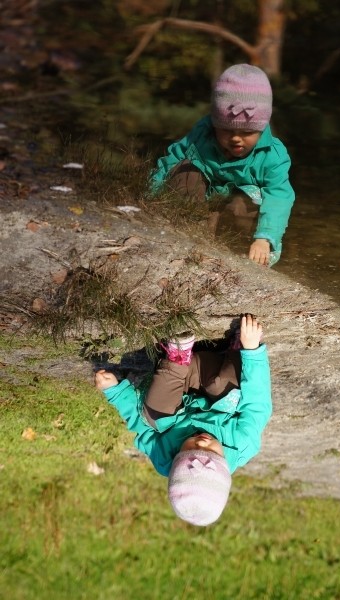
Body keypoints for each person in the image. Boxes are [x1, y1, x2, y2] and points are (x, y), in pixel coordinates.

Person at [95, 314, 272, 527]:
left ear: (175, 460)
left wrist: (114, 392)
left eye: (189, 448)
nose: (201, 442)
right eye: (212, 452)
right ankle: (235, 352)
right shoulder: (243, 443)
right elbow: (257, 403)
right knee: (229, 390)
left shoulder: (163, 459)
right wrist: (251, 351)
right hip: (216, 381)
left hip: (177, 382)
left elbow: (140, 425)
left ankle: (177, 357)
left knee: (154, 416)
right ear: (225, 464)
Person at [150, 63, 295, 267]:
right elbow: (170, 162)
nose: (236, 139)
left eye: (246, 133)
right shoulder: (202, 135)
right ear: (215, 124)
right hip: (200, 208)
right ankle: (185, 232)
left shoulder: (272, 154)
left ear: (261, 129)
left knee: (247, 202)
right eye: (227, 130)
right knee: (185, 170)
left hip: (237, 220)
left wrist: (265, 238)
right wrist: (150, 196)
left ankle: (244, 252)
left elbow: (279, 197)